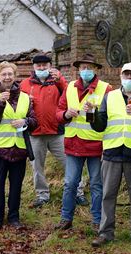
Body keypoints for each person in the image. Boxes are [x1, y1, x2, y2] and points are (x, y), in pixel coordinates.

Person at [88, 63, 131, 250]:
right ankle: (105, 233)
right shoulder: (111, 96)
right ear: (120, 77)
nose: (129, 79)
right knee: (108, 195)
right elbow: (100, 126)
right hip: (112, 153)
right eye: (126, 75)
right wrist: (91, 113)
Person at [20, 54, 87, 208]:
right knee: (37, 167)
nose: (42, 68)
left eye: (45, 65)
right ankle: (42, 195)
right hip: (35, 133)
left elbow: (71, 95)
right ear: (34, 67)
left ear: (50, 66)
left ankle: (78, 192)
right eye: (39, 66)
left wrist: (61, 80)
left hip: (57, 131)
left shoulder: (58, 82)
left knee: (70, 163)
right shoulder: (25, 84)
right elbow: (19, 106)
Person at [55, 53, 112, 232]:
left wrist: (94, 113)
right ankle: (66, 218)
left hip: (96, 146)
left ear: (96, 69)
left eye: (89, 67)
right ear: (78, 70)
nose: (86, 71)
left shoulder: (106, 89)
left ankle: (97, 221)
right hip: (73, 143)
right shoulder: (70, 87)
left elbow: (109, 117)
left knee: (96, 184)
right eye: (82, 68)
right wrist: (65, 115)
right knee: (70, 183)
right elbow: (59, 111)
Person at [0, 61, 37, 229]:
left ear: (15, 76)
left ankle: (14, 217)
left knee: (16, 185)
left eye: (10, 74)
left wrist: (26, 120)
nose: (7, 77)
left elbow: (35, 121)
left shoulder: (25, 97)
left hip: (19, 148)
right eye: (4, 74)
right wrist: (0, 103)